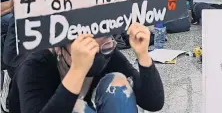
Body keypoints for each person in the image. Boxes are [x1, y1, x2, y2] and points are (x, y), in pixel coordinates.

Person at [9, 23, 164, 113]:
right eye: (85, 49)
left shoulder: (106, 52)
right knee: (76, 108)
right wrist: (78, 70)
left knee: (117, 84)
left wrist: (143, 56)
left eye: (105, 45)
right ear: (59, 48)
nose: (94, 56)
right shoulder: (33, 66)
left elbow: (153, 103)